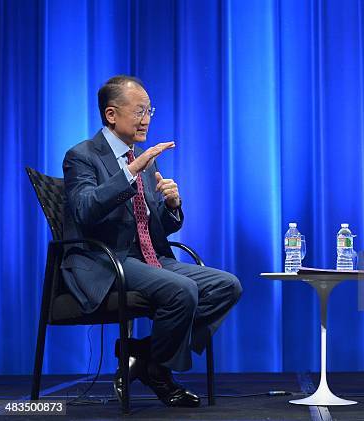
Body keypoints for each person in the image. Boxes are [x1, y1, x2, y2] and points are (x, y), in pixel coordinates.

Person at [62, 75, 242, 407]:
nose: (147, 119)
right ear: (112, 114)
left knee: (226, 286)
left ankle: (145, 357)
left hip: (149, 257)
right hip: (108, 260)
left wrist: (173, 205)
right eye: (140, 110)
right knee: (181, 290)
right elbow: (84, 211)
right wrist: (129, 173)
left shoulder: (144, 159)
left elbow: (155, 228)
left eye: (150, 110)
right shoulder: (83, 156)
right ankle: (159, 372)